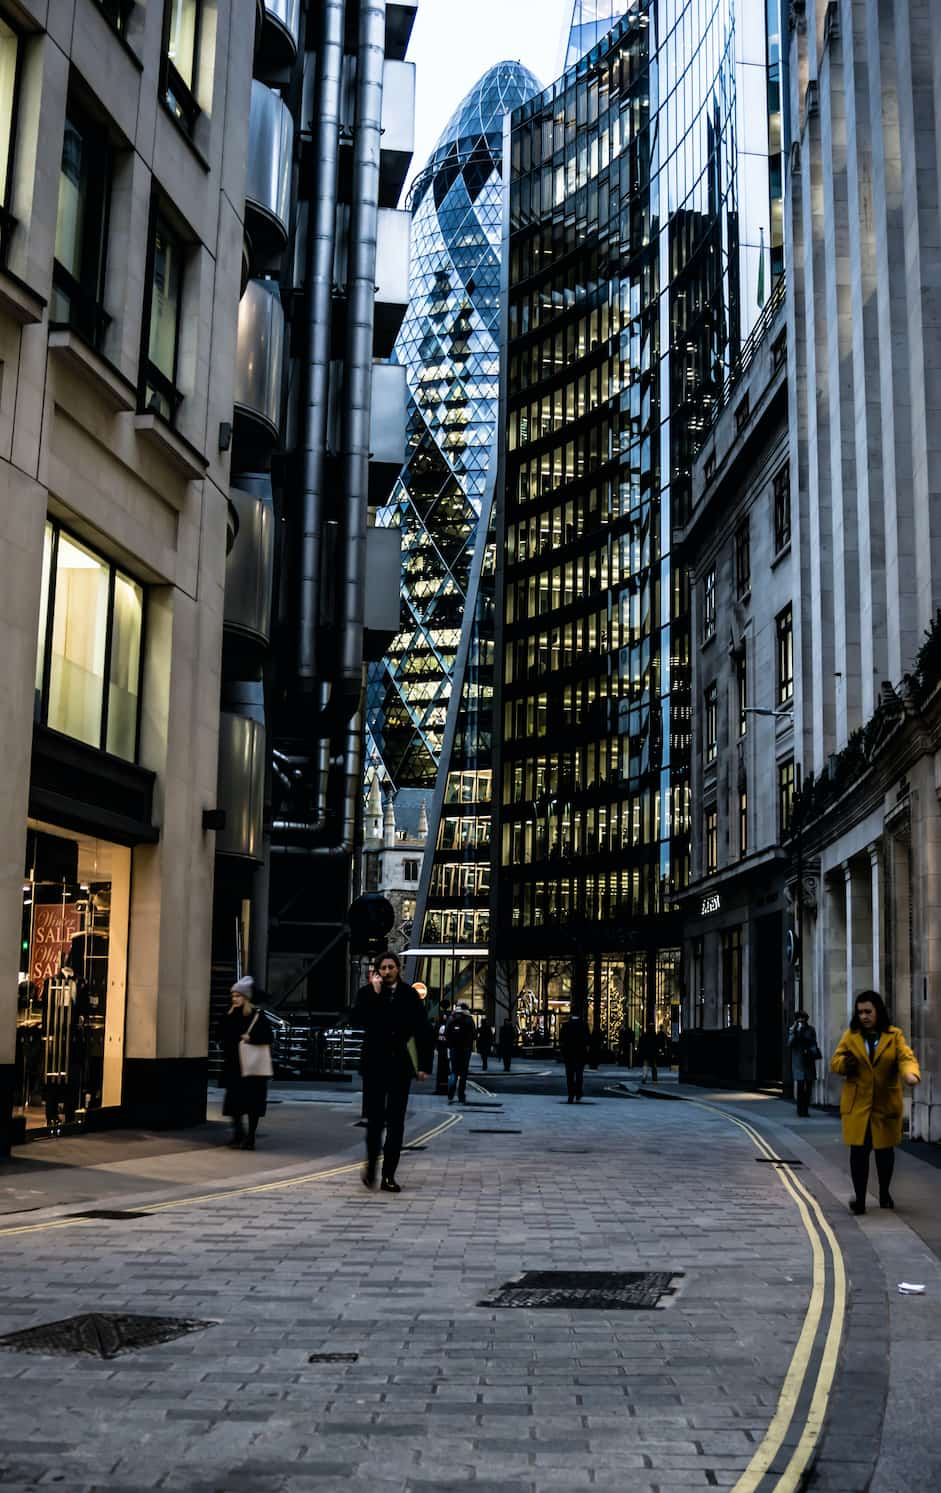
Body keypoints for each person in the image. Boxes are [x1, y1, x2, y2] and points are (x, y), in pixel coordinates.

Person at [830, 990, 920, 1215]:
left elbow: (905, 1058)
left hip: (884, 1105)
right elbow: (835, 1061)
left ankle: (884, 1192)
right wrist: (845, 1064)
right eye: (860, 1012)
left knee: (884, 1154)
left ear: (878, 1011)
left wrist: (910, 1075)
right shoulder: (851, 1036)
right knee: (858, 1154)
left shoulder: (894, 1035)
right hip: (858, 1106)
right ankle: (859, 1199)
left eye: (868, 1011)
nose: (864, 1016)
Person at [354, 952, 433, 1194]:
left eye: (391, 967)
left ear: (398, 969)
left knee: (396, 1123)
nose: (387, 972)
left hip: (399, 1065)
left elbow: (423, 1030)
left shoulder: (410, 995)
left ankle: (389, 1175)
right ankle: (371, 1168)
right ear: (377, 971)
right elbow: (361, 1022)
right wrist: (376, 996)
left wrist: (424, 1066)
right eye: (383, 968)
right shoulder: (367, 994)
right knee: (375, 1121)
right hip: (374, 1066)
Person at [219, 977, 273, 1150]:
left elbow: (269, 1037)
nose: (235, 999)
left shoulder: (257, 1016)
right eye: (233, 995)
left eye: (238, 995)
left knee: (252, 1105)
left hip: (252, 1068)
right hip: (235, 1066)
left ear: (246, 997)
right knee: (234, 1104)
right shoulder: (228, 1015)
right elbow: (220, 1035)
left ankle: (250, 1138)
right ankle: (238, 1133)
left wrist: (252, 1038)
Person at [788, 1009, 821, 1117]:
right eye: (799, 1018)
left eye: (803, 1018)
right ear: (796, 1020)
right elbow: (790, 1044)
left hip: (808, 1060)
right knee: (800, 1086)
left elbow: (814, 1043)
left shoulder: (811, 1029)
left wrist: (811, 1051)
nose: (801, 1020)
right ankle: (800, 1110)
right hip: (798, 1062)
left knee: (809, 1086)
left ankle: (806, 1109)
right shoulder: (793, 1029)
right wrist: (795, 1032)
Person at [445, 1001, 476, 1104]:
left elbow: (446, 1033)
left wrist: (450, 1044)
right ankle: (461, 1096)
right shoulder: (469, 1019)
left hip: (454, 1048)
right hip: (466, 1049)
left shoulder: (452, 1018)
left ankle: (450, 1092)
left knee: (454, 1071)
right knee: (463, 1073)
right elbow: (474, 1034)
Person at [559, 1010, 590, 1102]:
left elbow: (562, 1040)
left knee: (570, 1075)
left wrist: (563, 1052)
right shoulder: (584, 1025)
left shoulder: (566, 1026)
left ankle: (571, 1094)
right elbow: (587, 1039)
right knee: (579, 1074)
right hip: (580, 1053)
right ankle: (578, 1092)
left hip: (569, 1053)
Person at [435, 1001, 452, 1095]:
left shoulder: (443, 1016)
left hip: (443, 1045)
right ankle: (444, 1088)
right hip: (445, 1045)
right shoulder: (450, 1016)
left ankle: (441, 1088)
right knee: (445, 1067)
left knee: (442, 1067)